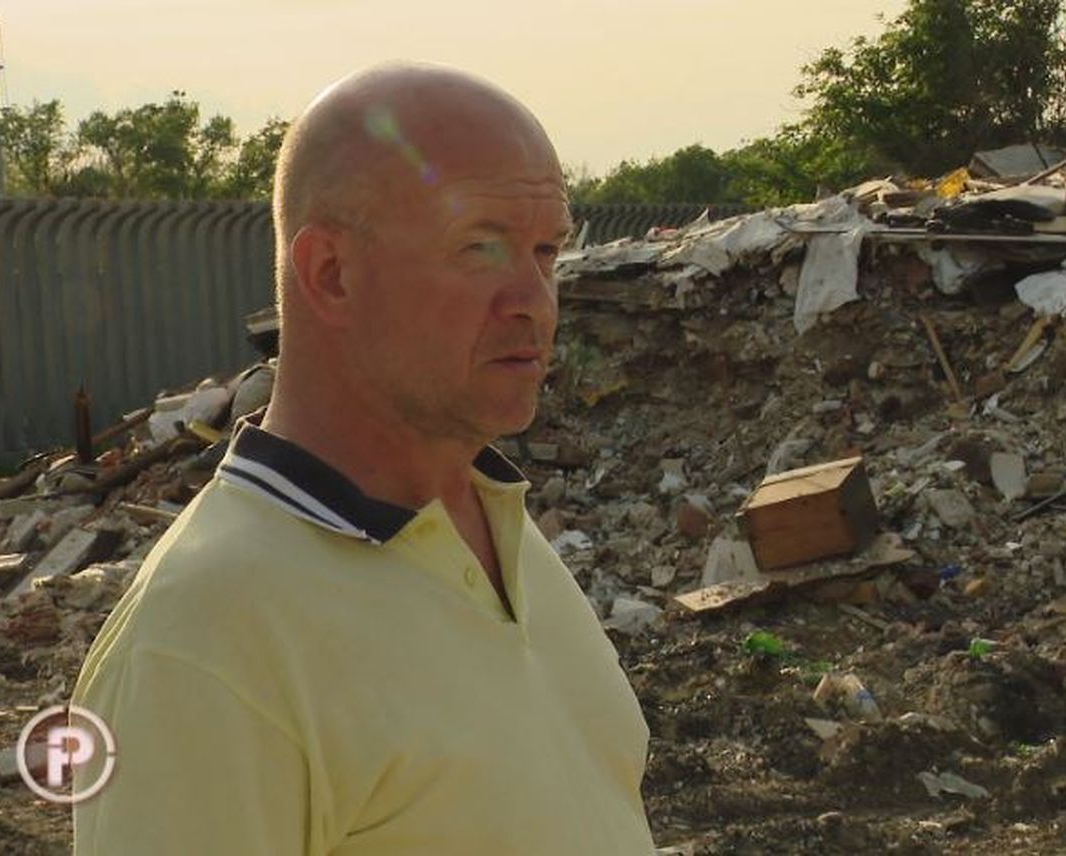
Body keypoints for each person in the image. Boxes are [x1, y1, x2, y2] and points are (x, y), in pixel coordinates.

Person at [70, 63, 655, 855]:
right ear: (331, 274)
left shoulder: (502, 532)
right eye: (480, 248)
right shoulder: (201, 640)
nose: (534, 301)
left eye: (546, 251)